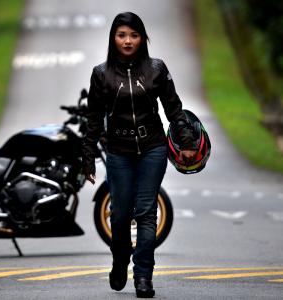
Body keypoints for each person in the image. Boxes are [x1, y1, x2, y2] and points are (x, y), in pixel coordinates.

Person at [82, 12, 197, 298]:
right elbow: (93, 118)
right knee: (120, 216)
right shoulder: (101, 73)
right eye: (122, 35)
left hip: (153, 148)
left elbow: (174, 108)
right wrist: (87, 157)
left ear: (142, 38)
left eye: (133, 35)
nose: (128, 41)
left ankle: (143, 276)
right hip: (118, 151)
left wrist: (186, 142)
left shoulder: (157, 69)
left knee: (146, 213)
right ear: (113, 38)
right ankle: (120, 261)